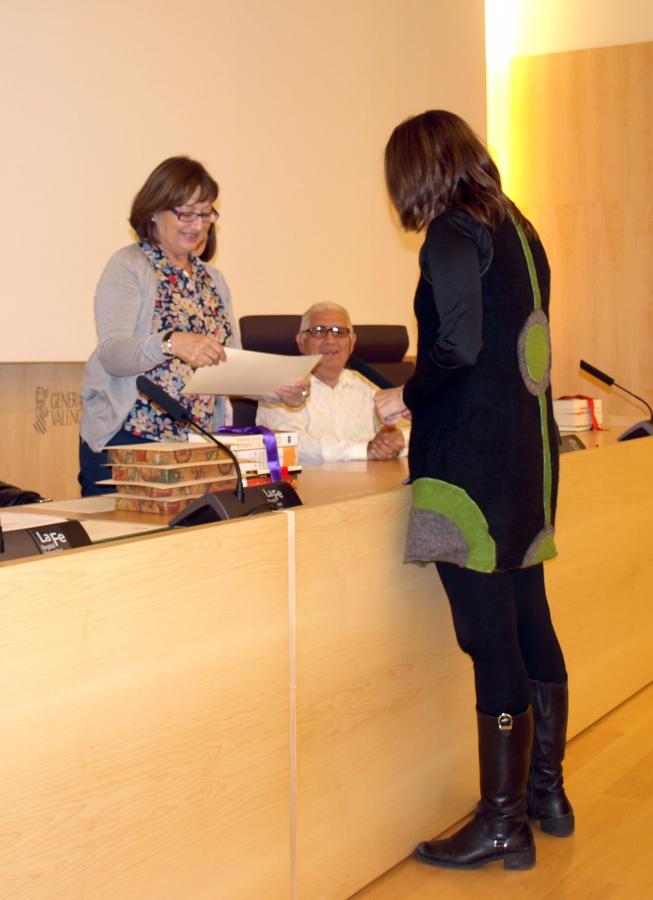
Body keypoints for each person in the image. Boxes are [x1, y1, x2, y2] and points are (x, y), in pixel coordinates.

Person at [375, 111, 573, 871]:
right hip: (525, 458)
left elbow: (456, 347)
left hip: (470, 466)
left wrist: (404, 395)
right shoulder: (518, 228)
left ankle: (501, 823)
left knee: (488, 640)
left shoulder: (452, 232)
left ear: (418, 169)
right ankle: (544, 794)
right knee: (529, 622)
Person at [78, 156, 307, 495]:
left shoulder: (213, 279)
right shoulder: (129, 266)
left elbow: (230, 363)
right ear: (154, 211)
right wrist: (170, 343)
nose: (197, 225)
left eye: (206, 214)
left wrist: (276, 389)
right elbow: (112, 353)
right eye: (186, 213)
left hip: (194, 447)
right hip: (129, 442)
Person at [256, 302, 406, 464]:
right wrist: (364, 450)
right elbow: (287, 445)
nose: (330, 340)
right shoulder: (282, 388)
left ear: (352, 342)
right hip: (306, 480)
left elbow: (409, 427)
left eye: (339, 332)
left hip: (373, 478)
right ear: (301, 341)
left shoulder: (368, 385)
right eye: (318, 331)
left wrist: (395, 440)